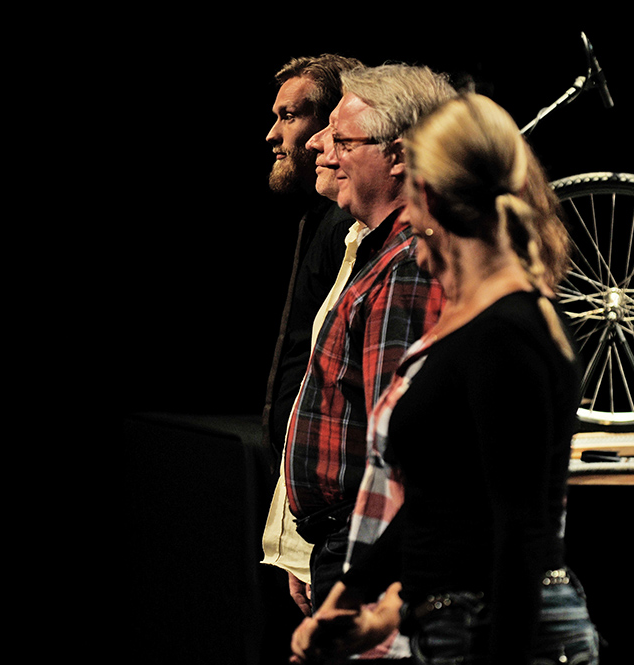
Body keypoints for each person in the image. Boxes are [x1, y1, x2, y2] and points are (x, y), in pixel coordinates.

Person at [290, 94, 599, 664]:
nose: (407, 219)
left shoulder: (509, 330)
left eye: (411, 198)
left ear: (429, 198)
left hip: (504, 626)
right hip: (457, 621)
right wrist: (353, 596)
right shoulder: (477, 321)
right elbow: (442, 498)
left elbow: (519, 532)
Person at [282, 64, 456, 624]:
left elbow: (400, 452)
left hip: (371, 548)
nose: (318, 146)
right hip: (348, 541)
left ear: (398, 155)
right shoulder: (378, 252)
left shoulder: (407, 267)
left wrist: (360, 585)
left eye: (341, 138)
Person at [259, 53, 364, 621]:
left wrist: (302, 541)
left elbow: (335, 385)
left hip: (337, 522)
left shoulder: (348, 226)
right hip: (317, 514)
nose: (272, 134)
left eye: (290, 116)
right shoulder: (324, 220)